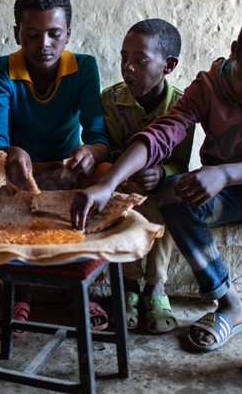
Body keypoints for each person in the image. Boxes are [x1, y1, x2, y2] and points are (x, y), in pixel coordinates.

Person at [72, 8, 242, 394]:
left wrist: (226, 172)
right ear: (234, 51)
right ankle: (229, 305)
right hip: (219, 196)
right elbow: (160, 135)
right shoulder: (208, 85)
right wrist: (110, 182)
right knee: (174, 193)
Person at [0, 0, 111, 333]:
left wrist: (88, 152)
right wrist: (12, 150)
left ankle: (79, 290)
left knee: (106, 172)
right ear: (16, 33)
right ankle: (19, 292)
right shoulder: (1, 70)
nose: (44, 45)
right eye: (31, 34)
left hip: (69, 171)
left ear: (68, 32)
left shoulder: (84, 67)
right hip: (20, 173)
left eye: (54, 34)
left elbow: (99, 138)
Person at [100, 18, 193, 334]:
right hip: (124, 183)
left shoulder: (184, 106)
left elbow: (184, 163)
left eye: (139, 60)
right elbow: (109, 149)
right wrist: (126, 172)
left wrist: (163, 171)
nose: (127, 68)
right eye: (124, 58)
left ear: (168, 65)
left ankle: (155, 286)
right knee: (120, 198)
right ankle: (128, 284)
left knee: (168, 196)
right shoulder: (111, 101)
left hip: (161, 187)